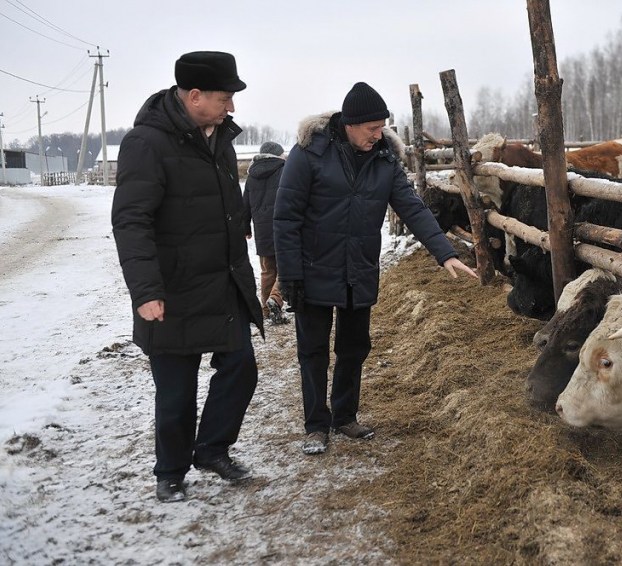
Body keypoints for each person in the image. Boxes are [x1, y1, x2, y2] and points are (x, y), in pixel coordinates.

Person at [274, 82, 478, 456]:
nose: (378, 133)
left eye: (382, 126)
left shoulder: (384, 160)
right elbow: (285, 218)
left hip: (359, 269)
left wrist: (445, 253)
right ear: (350, 124)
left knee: (354, 348)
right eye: (371, 127)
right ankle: (316, 425)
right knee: (313, 350)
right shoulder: (309, 153)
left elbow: (412, 208)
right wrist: (289, 276)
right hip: (313, 268)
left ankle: (345, 416)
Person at [112, 51, 263, 503]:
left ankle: (212, 449)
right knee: (177, 392)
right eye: (224, 98)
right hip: (172, 290)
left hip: (223, 284)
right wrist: (145, 291)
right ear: (194, 96)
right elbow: (131, 220)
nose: (231, 107)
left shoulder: (221, 139)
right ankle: (171, 472)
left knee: (241, 369)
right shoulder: (147, 143)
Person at [243, 141, 288, 325]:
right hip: (283, 226)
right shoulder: (285, 170)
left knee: (267, 270)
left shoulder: (251, 175)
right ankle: (276, 298)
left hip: (261, 229)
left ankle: (265, 310)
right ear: (277, 154)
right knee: (286, 266)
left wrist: (246, 228)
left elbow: (244, 204)